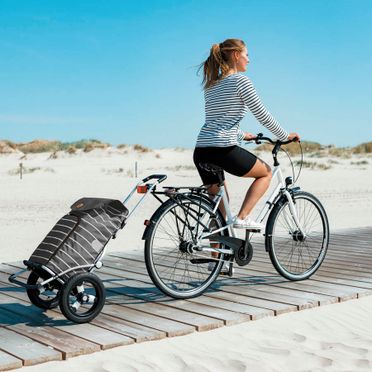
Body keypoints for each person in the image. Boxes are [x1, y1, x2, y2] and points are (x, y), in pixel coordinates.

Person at [193, 38, 300, 231]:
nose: (249, 60)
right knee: (266, 173)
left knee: (219, 212)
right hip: (222, 149)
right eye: (246, 55)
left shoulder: (211, 85)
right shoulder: (241, 81)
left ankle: (214, 260)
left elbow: (217, 120)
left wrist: (242, 135)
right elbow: (263, 115)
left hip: (202, 150)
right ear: (236, 55)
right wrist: (284, 136)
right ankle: (243, 217)